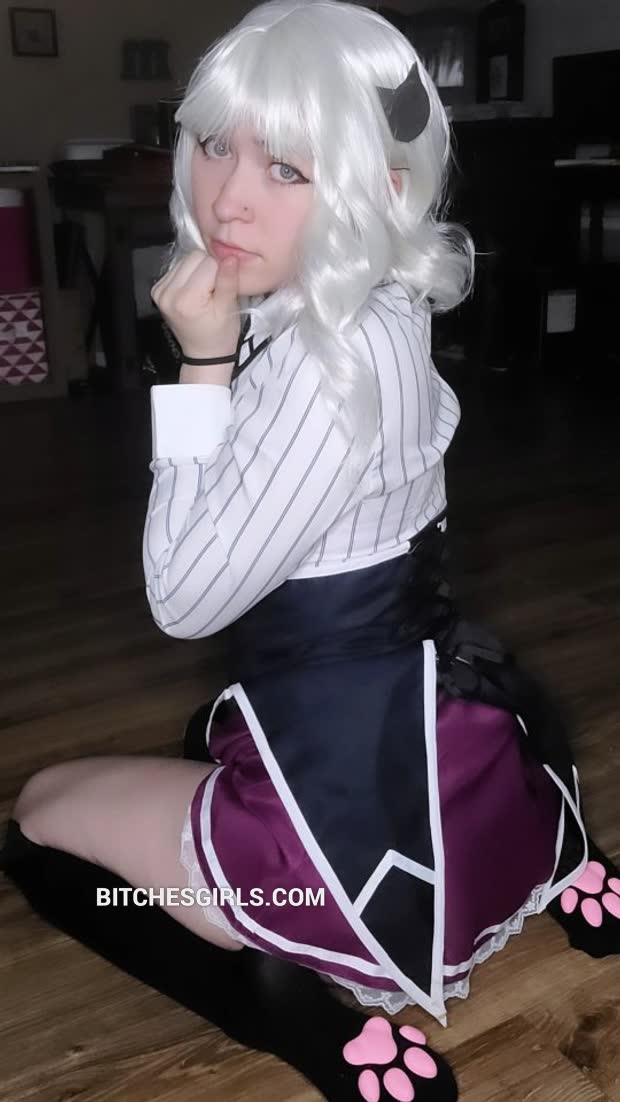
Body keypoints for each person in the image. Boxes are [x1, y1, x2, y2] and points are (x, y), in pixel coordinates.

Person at [2, 2, 619, 1100]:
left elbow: (181, 598)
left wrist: (199, 367)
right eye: (215, 144)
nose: (226, 197)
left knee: (41, 819)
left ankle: (291, 1001)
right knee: (209, 729)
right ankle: (556, 862)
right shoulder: (382, 306)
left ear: (381, 186)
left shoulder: (321, 377)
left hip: (339, 834)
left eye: (287, 167)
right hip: (452, 744)